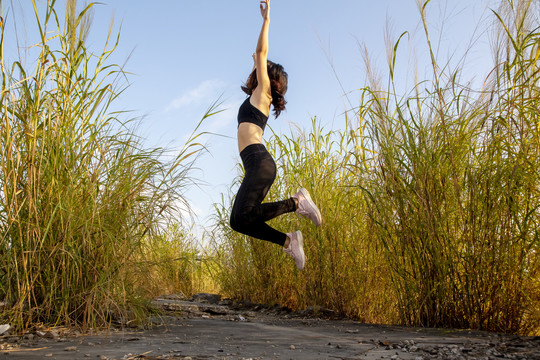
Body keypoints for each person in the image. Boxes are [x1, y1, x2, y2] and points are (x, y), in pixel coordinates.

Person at [229, 0, 322, 270]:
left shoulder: (263, 92)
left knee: (242, 217)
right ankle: (289, 241)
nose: (258, 66)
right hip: (256, 164)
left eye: (263, 68)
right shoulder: (261, 96)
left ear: (270, 79)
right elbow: (258, 56)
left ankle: (298, 202)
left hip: (259, 162)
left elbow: (259, 52)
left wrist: (266, 20)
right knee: (239, 220)